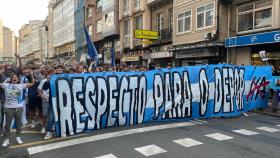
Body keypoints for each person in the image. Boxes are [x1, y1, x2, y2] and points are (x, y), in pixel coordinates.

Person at [1, 71, 35, 147]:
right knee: (7, 124)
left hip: (19, 107)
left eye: (16, 77)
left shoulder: (21, 85)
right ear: (11, 79)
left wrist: (32, 74)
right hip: (8, 108)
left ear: (18, 79)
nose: (14, 78)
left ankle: (18, 137)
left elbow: (32, 83)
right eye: (13, 78)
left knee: (19, 124)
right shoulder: (6, 85)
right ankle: (6, 139)